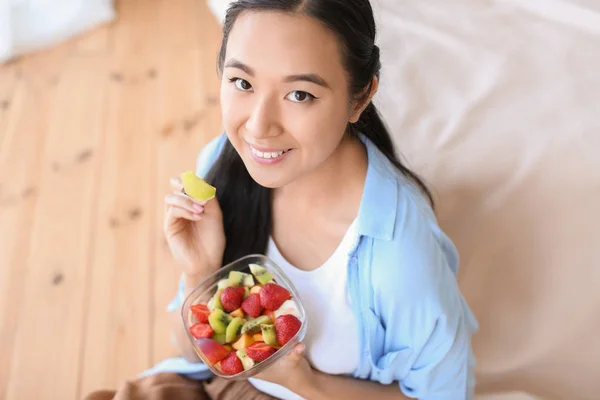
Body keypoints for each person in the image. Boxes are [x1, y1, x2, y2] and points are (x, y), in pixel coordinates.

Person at [88, 0, 478, 399]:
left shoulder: (399, 257)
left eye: (299, 95)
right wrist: (199, 274)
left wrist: (302, 382)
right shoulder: (221, 164)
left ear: (360, 97)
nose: (258, 126)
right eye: (243, 82)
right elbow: (191, 353)